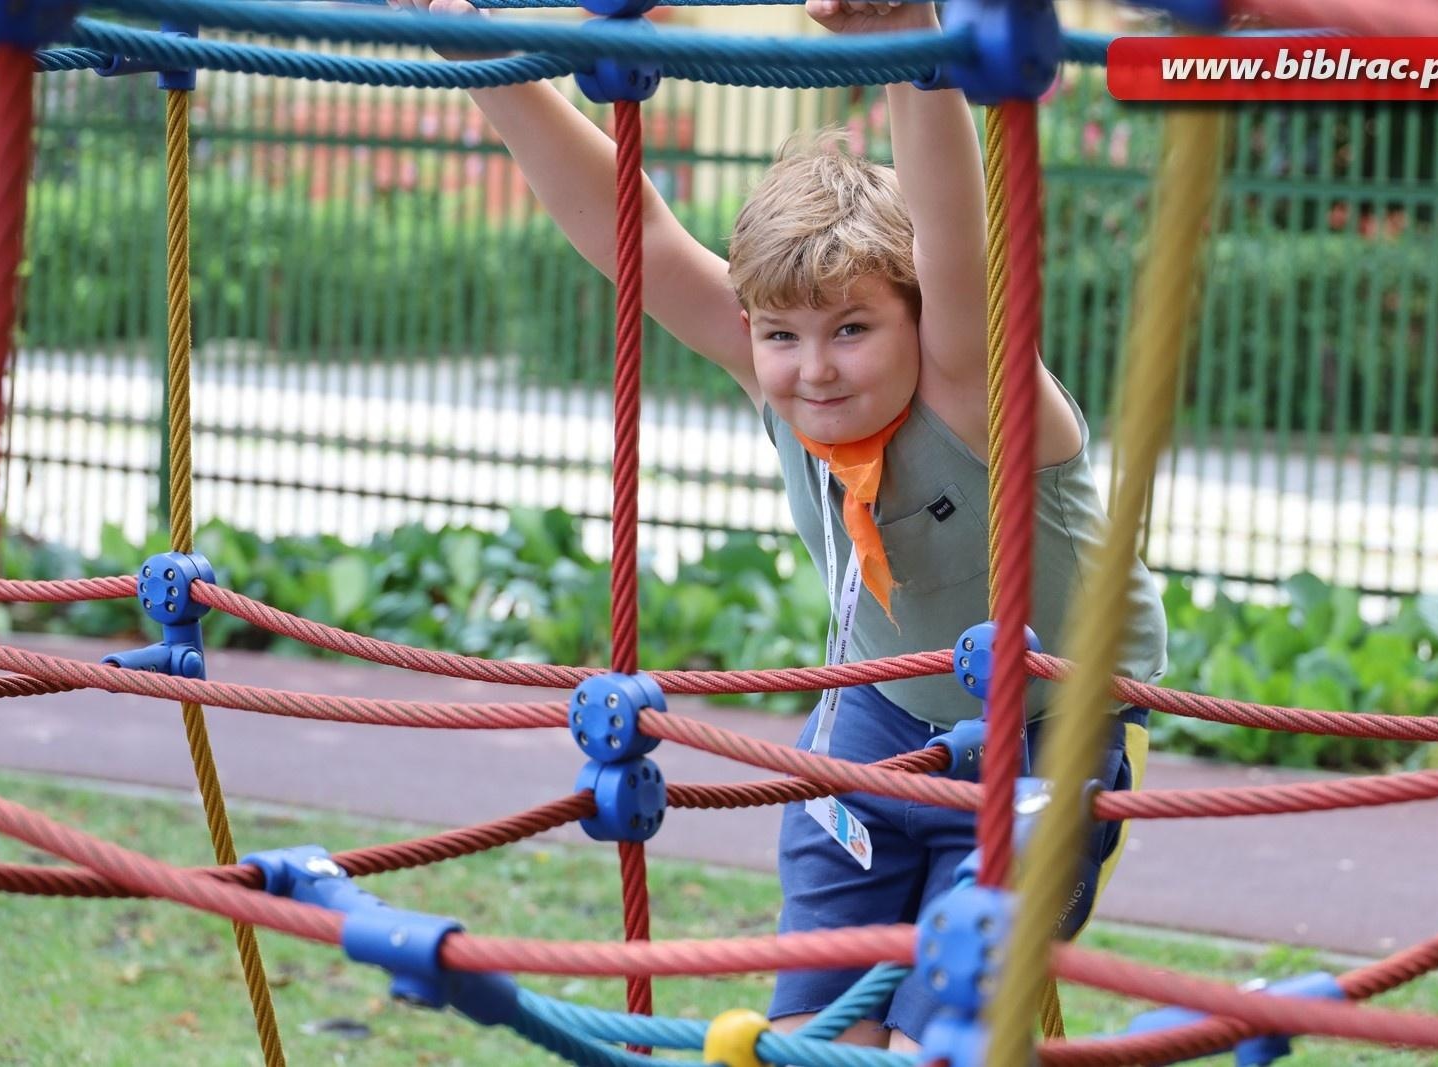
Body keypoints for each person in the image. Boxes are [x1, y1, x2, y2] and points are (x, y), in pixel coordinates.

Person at [392, 0, 1167, 1049]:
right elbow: (641, 243)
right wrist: (486, 65)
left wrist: (898, 42)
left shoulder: (976, 391)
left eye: (852, 328)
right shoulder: (782, 376)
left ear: (916, 316)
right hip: (878, 720)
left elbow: (956, 247)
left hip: (1040, 736)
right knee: (812, 1040)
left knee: (935, 1039)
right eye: (782, 335)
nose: (813, 368)